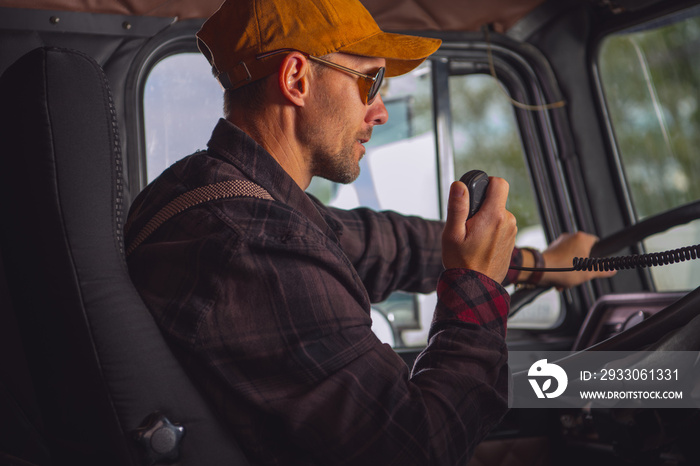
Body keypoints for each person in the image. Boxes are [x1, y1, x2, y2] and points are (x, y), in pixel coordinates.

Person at [125, 0, 613, 463]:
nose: (379, 111)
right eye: (369, 81)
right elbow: (419, 449)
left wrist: (541, 265)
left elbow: (381, 245)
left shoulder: (213, 192)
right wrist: (477, 289)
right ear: (296, 79)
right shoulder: (249, 245)